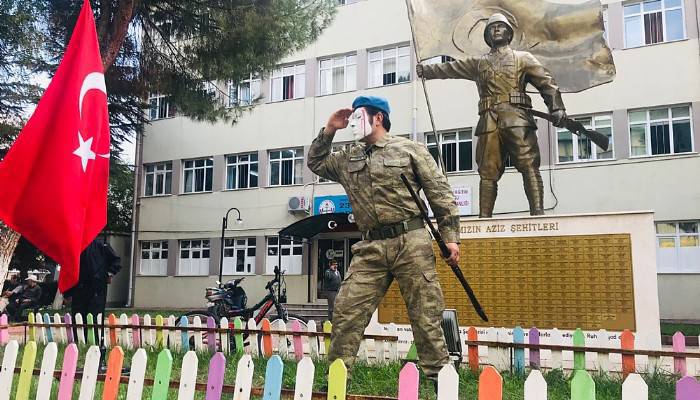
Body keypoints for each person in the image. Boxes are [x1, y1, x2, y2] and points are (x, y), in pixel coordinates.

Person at [308, 95, 461, 382]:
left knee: (425, 313)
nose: (353, 123)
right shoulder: (348, 157)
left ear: (378, 117)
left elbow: (439, 193)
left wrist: (450, 237)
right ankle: (337, 378)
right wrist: (330, 129)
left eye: (358, 116)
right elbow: (315, 162)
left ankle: (439, 380)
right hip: (370, 247)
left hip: (411, 241)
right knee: (346, 310)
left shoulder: (409, 150)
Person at [416, 13, 567, 217]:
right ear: (487, 35)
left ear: (508, 33)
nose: (496, 29)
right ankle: (484, 218)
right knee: (487, 172)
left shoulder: (523, 58)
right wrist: (426, 70)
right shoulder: (479, 63)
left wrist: (556, 107)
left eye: (500, 26)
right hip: (489, 122)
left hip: (517, 120)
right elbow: (451, 67)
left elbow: (546, 82)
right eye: (491, 27)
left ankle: (537, 213)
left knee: (528, 164)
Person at [64, 237, 121, 342]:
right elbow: (68, 267)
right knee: (79, 316)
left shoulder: (101, 245)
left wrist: (109, 274)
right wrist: (67, 292)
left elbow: (116, 261)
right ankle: (80, 341)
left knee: (94, 316)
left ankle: (95, 341)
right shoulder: (75, 245)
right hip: (79, 288)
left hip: (97, 288)